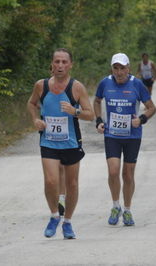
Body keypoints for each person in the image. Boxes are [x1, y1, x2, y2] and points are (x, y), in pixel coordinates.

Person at [27, 48, 94, 239]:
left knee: (72, 185)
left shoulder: (77, 87)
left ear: (71, 65)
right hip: (49, 141)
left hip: (71, 143)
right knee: (51, 181)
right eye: (57, 62)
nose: (60, 65)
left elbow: (91, 114)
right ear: (52, 64)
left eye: (64, 62)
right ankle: (54, 215)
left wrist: (75, 111)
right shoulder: (41, 86)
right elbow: (31, 104)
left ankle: (68, 222)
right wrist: (35, 120)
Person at [94, 53, 156, 226]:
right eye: (116, 68)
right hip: (112, 134)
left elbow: (151, 108)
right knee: (113, 172)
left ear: (128, 68)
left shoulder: (137, 84)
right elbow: (97, 101)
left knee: (128, 175)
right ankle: (115, 206)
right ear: (112, 68)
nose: (119, 72)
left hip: (132, 136)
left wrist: (141, 120)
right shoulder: (105, 83)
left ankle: (127, 210)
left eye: (122, 68)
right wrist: (99, 120)